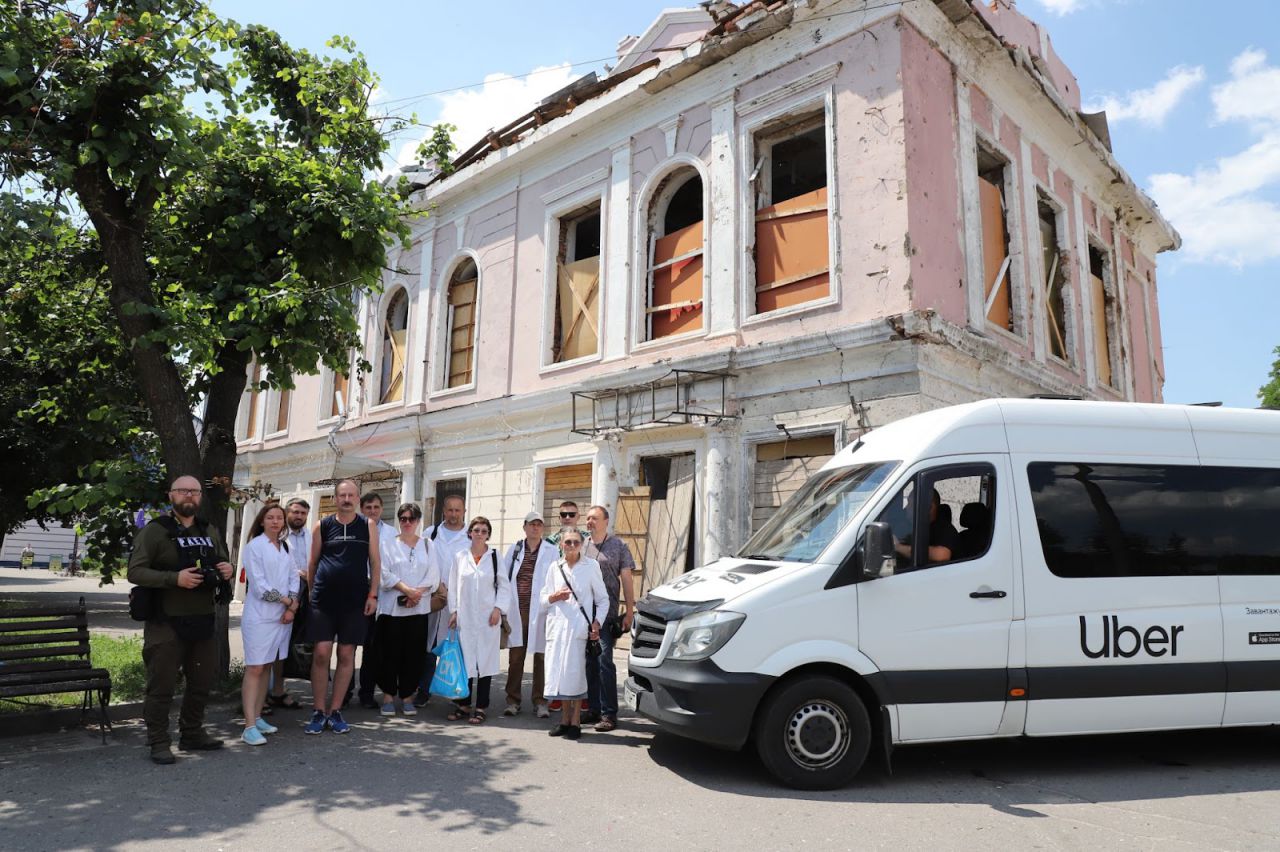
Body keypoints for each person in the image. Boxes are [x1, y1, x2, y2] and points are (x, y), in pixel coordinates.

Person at [126, 475, 234, 765]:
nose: (189, 495)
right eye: (183, 490)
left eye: (195, 491)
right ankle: (159, 741)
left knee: (200, 684)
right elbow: (135, 572)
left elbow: (223, 561)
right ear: (170, 495)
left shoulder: (208, 529)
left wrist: (227, 569)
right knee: (161, 686)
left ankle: (192, 733)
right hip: (166, 621)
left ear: (200, 497)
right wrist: (175, 579)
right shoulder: (155, 531)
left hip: (202, 619)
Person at [304, 479, 381, 735]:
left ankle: (335, 710)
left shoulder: (368, 525)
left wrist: (373, 595)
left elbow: (375, 563)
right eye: (342, 495)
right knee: (322, 653)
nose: (347, 499)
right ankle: (317, 710)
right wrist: (311, 592)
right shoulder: (322, 526)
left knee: (346, 655)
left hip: (355, 602)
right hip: (324, 601)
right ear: (335, 498)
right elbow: (313, 563)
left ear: (357, 498)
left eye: (351, 495)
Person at [239, 504, 299, 746]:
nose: (275, 521)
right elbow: (259, 585)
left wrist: (292, 605)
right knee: (254, 667)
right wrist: (287, 602)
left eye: (279, 518)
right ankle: (248, 726)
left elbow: (294, 576)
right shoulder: (254, 547)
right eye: (270, 517)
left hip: (282, 617)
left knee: (266, 667)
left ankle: (258, 716)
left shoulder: (286, 546)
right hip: (260, 616)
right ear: (262, 521)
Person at [374, 502, 439, 717]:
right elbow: (384, 573)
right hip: (392, 609)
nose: (407, 522)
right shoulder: (388, 544)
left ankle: (408, 696)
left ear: (419, 521)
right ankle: (388, 696)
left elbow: (433, 575)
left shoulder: (428, 545)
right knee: (389, 654)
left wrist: (416, 593)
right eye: (403, 518)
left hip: (417, 610)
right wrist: (407, 590)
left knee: (414, 655)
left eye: (412, 518)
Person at [541, 527, 606, 740]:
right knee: (559, 675)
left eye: (575, 542)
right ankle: (564, 721)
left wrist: (597, 622)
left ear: (582, 544)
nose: (571, 546)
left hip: (578, 629)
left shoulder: (591, 566)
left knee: (576, 676)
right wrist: (554, 597)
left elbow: (602, 599)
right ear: (561, 545)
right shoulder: (554, 567)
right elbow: (542, 599)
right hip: (557, 629)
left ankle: (576, 722)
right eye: (567, 542)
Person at [445, 516, 509, 725]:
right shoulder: (460, 556)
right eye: (476, 530)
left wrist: (498, 609)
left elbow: (504, 585)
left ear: (488, 534)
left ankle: (481, 707)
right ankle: (462, 705)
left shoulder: (495, 557)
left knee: (485, 663)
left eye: (484, 531)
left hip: (488, 618)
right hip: (465, 617)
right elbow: (453, 585)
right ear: (470, 533)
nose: (480, 534)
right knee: (464, 662)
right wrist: (453, 611)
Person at [582, 504, 636, 732]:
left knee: (604, 660)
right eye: (587, 518)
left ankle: (609, 714)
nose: (589, 522)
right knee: (589, 661)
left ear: (606, 521)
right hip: (583, 612)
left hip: (607, 613)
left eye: (594, 518)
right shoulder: (582, 545)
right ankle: (594, 707)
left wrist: (630, 611)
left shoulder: (618, 546)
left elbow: (627, 579)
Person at [501, 511, 559, 718]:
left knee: (542, 657)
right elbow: (503, 578)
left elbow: (557, 579)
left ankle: (541, 701)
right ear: (524, 527)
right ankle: (513, 700)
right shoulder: (515, 549)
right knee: (516, 657)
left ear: (542, 528)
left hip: (542, 611)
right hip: (518, 610)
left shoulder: (552, 551)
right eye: (531, 524)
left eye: (539, 525)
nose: (535, 528)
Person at [413, 493, 469, 705]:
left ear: (464, 511)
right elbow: (422, 562)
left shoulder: (469, 536)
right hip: (434, 595)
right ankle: (423, 689)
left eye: (458, 510)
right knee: (428, 644)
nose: (454, 514)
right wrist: (436, 585)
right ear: (443, 511)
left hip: (459, 599)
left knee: (457, 644)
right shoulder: (431, 533)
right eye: (450, 510)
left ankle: (457, 693)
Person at [263, 497, 310, 714]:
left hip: (304, 594)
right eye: (294, 512)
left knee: (285, 645)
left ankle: (278, 692)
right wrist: (299, 573)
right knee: (267, 646)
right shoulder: (277, 537)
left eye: (302, 513)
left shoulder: (311, 536)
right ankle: (259, 695)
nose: (298, 516)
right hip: (278, 597)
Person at [353, 491, 397, 710]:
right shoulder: (354, 527)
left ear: (382, 509)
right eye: (368, 507)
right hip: (358, 590)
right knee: (349, 644)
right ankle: (344, 693)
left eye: (376, 507)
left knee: (373, 645)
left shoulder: (391, 533)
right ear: (362, 509)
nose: (372, 511)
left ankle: (367, 692)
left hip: (383, 592)